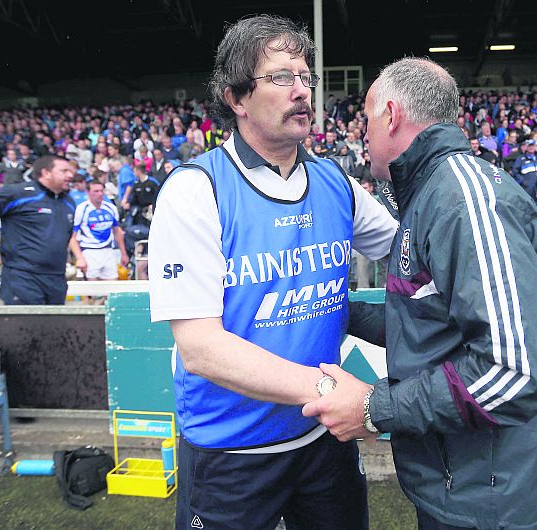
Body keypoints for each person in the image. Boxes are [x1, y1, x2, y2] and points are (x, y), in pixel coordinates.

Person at [146, 15, 396, 530]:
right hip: (230, 452)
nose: (301, 90)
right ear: (236, 98)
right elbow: (201, 350)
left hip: (322, 443)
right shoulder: (196, 190)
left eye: (307, 77)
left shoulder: (335, 182)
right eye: (282, 77)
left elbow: (408, 249)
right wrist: (329, 392)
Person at [303, 57, 537, 530]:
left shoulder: (464, 200)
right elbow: (433, 326)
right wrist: (339, 312)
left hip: (483, 500)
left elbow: (515, 371)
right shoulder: (431, 195)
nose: (362, 135)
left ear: (392, 116)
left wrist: (374, 408)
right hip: (456, 486)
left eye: (366, 119)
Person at [0, 155, 76, 305]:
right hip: (22, 277)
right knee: (26, 326)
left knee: (53, 327)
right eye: (64, 171)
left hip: (56, 278)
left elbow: (63, 236)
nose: (70, 175)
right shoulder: (18, 193)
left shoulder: (68, 202)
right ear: (46, 173)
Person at [69, 180, 128, 281]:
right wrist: (79, 258)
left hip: (108, 250)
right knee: (92, 289)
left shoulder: (111, 208)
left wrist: (123, 253)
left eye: (101, 191)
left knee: (112, 287)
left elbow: (116, 230)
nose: (100, 194)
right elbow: (72, 237)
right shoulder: (81, 209)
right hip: (90, 251)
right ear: (88, 192)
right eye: (96, 191)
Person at [512, 139, 537, 211]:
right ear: (526, 147)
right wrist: (523, 181)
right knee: (527, 205)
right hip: (527, 187)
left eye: (533, 146)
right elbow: (515, 171)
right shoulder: (521, 158)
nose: (531, 148)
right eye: (529, 146)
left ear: (535, 147)